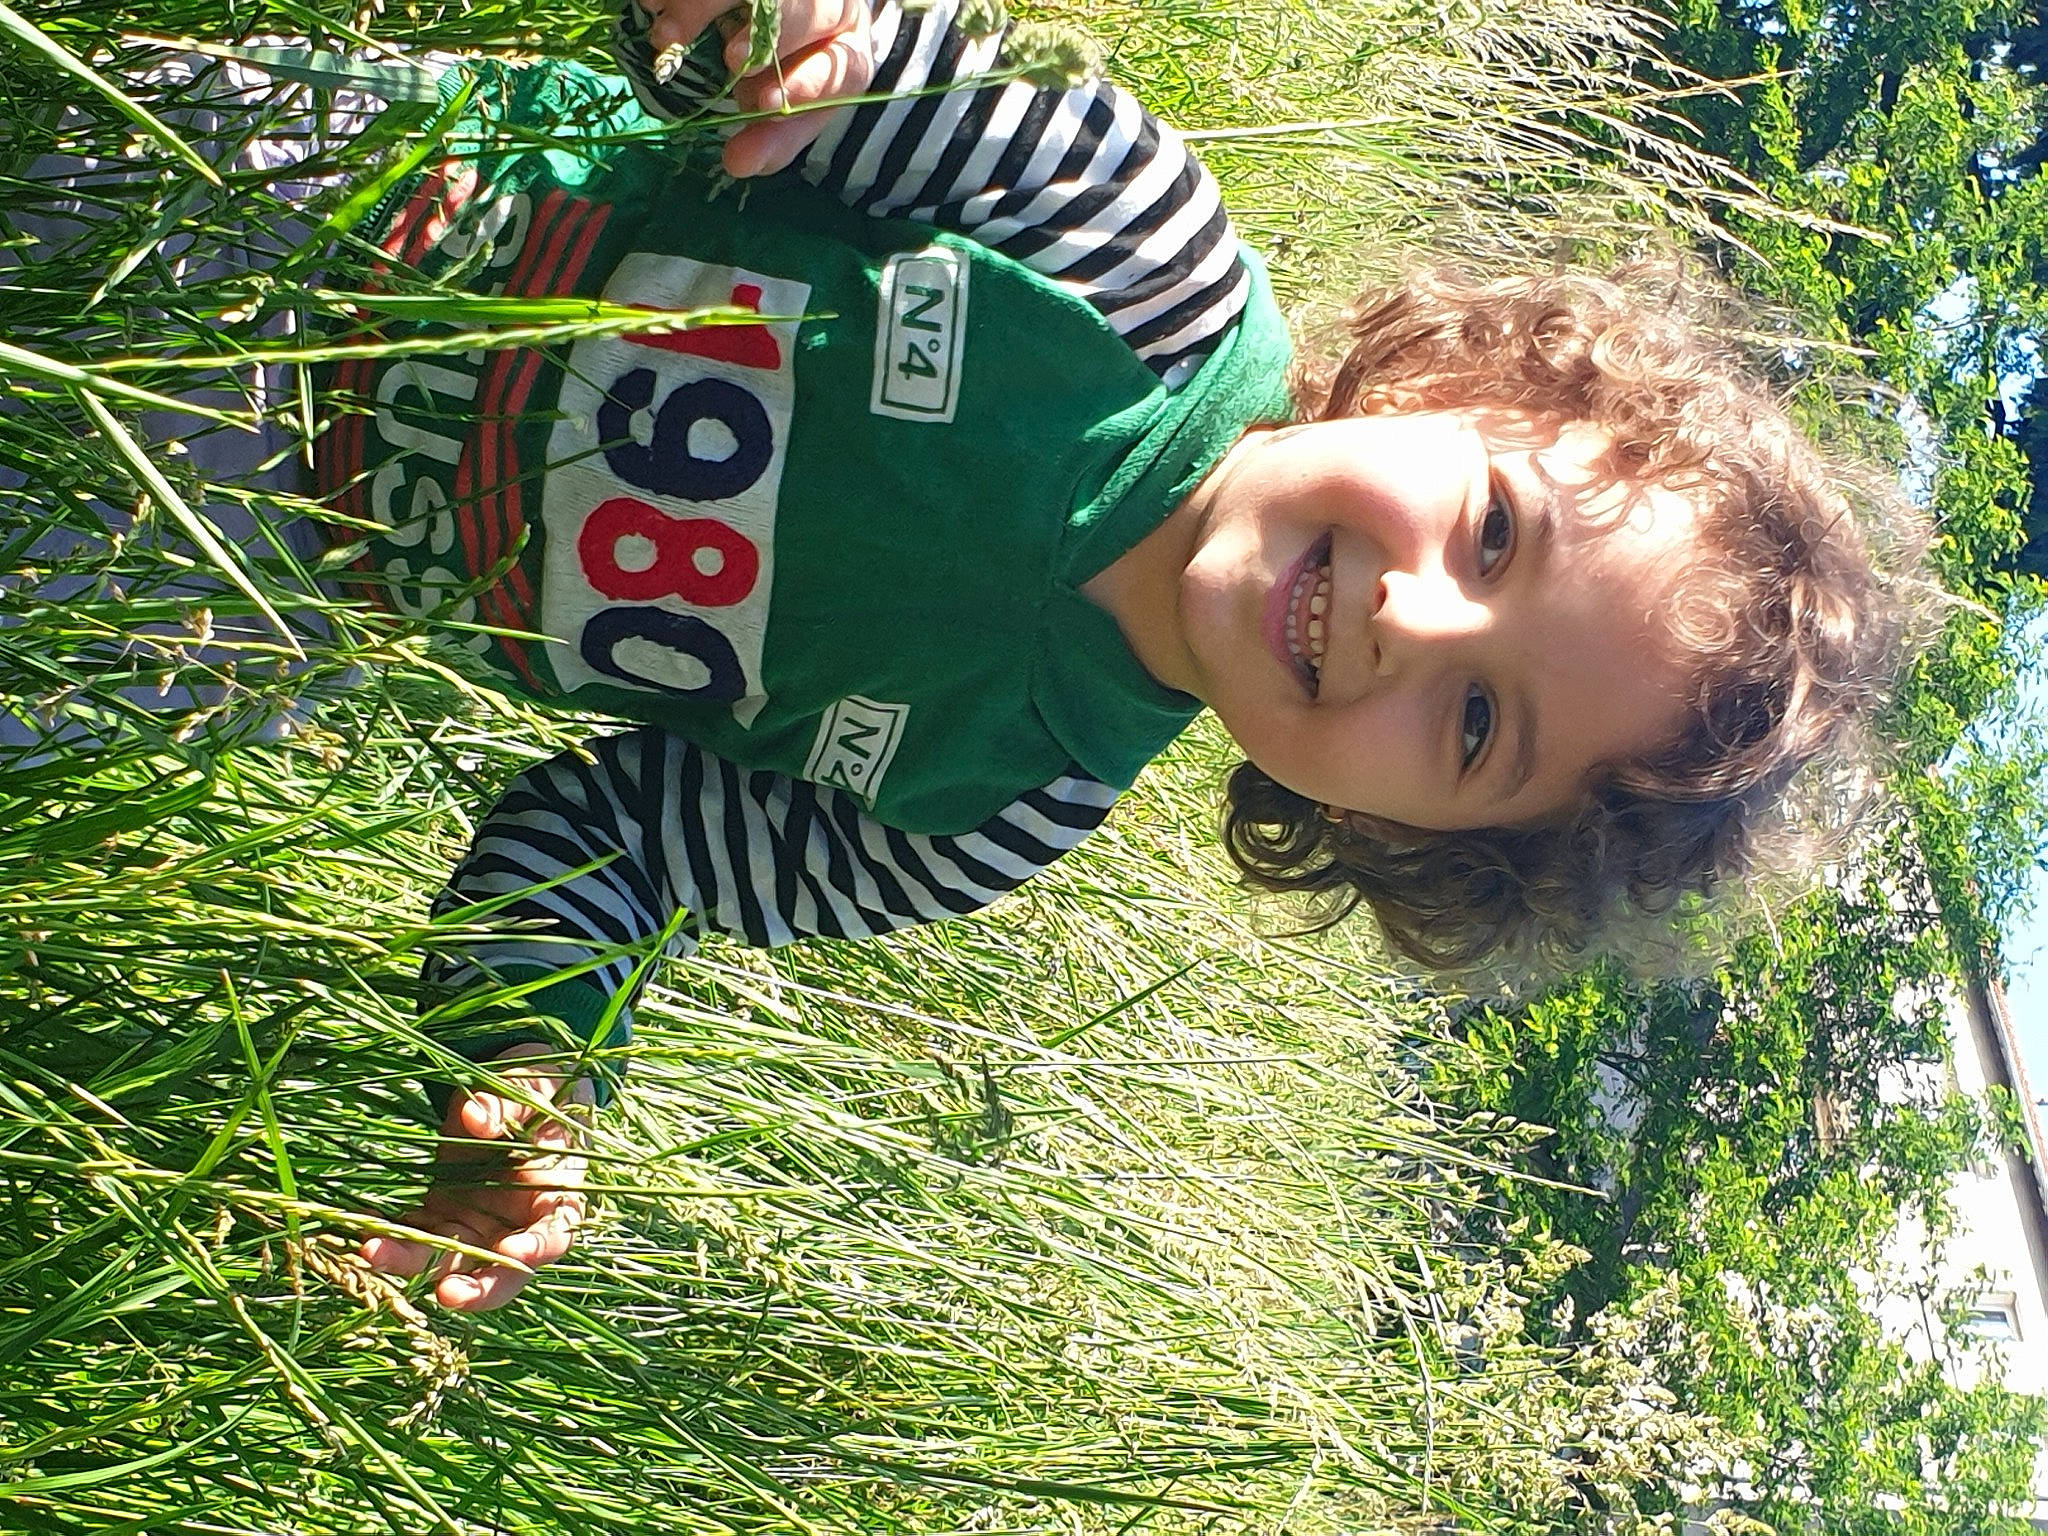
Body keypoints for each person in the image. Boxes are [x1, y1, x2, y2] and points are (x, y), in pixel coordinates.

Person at [110, 0, 1912, 1310]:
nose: (1412, 621)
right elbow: (834, 72)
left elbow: (610, 848)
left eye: (1473, 726)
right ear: (1467, 386)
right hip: (318, 188)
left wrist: (532, 1076)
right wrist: (785, 36)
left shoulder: (982, 812)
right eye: (1498, 530)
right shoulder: (1141, 256)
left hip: (226, 571)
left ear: (1399, 836)